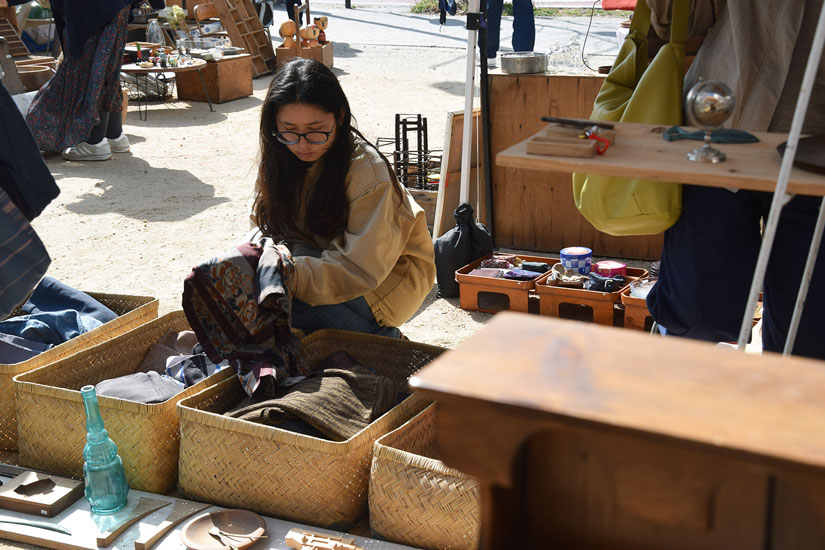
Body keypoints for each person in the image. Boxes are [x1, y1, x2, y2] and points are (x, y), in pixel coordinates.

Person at [644, 0, 825, 359]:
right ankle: (672, 392)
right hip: (723, 130)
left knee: (808, 337)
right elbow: (680, 19)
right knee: (695, 313)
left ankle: (782, 408)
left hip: (816, 150)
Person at [251, 58, 436, 339]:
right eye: (289, 130)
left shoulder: (368, 172)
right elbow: (267, 228)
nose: (302, 144)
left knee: (280, 309)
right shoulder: (281, 153)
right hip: (321, 258)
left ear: (339, 116)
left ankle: (385, 342)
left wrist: (286, 273)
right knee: (259, 292)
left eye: (315, 130)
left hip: (386, 281)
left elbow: (359, 267)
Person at [24, 0, 163, 161]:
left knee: (89, 71)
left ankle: (94, 142)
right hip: (117, 6)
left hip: (89, 9)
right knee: (107, 69)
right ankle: (114, 135)